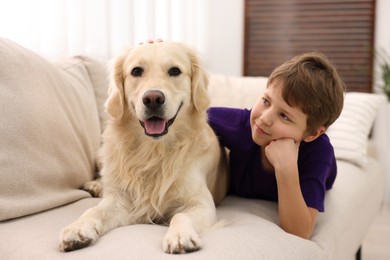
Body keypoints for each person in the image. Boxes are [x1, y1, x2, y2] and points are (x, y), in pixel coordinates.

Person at [208, 52, 345, 239]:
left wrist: (286, 167)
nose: (264, 119)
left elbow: (299, 231)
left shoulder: (318, 152)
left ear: (313, 133)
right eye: (266, 101)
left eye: (284, 116)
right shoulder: (243, 125)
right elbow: (187, 115)